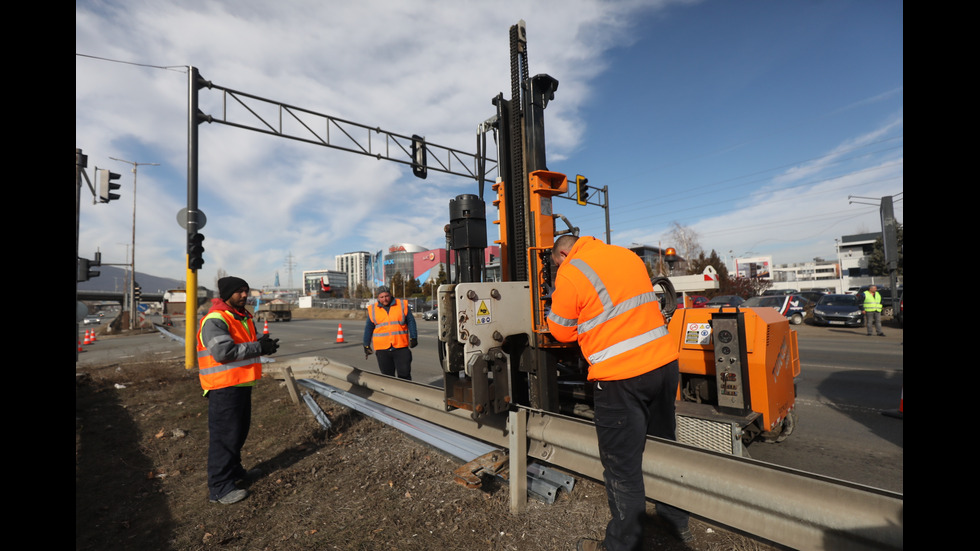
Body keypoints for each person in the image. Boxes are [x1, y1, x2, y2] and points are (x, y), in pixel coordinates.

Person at [546, 235, 692, 550]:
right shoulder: (626, 256)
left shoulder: (571, 271)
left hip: (620, 377)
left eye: (556, 261)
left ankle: (622, 546)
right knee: (666, 448)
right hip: (664, 365)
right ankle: (675, 523)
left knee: (621, 467)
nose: (558, 266)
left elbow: (560, 330)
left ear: (562, 252)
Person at [197, 276, 279, 504]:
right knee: (224, 438)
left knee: (237, 434)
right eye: (239, 291)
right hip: (223, 387)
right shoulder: (215, 319)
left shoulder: (240, 317)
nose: (245, 295)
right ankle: (220, 488)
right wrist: (258, 347)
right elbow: (223, 352)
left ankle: (233, 472)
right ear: (226, 294)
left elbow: (245, 342)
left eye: (246, 290)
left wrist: (264, 343)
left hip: (240, 384)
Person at [363, 286, 418, 380]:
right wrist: (366, 344)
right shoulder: (373, 309)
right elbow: (369, 328)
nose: (385, 299)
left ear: (390, 295)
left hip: (400, 347)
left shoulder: (401, 305)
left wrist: (413, 337)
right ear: (378, 298)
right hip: (382, 349)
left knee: (404, 374)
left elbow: (411, 321)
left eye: (386, 296)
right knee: (387, 377)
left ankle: (405, 394)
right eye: (382, 297)